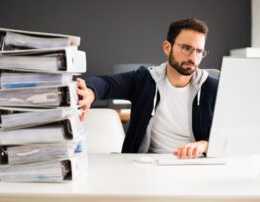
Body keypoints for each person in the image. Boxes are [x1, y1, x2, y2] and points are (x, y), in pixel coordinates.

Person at [77, 18, 218, 159]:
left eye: (199, 51)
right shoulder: (145, 80)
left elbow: (232, 138)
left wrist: (205, 145)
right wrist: (90, 92)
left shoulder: (213, 88)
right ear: (167, 47)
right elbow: (107, 84)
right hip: (149, 166)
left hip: (197, 165)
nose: (193, 57)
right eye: (186, 48)